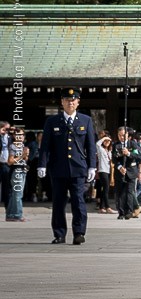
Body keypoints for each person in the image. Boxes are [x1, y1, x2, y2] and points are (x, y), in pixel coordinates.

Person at [37, 88, 98, 244]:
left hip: (78, 168)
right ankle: (59, 233)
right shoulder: (52, 121)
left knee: (78, 201)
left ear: (78, 102)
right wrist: (42, 164)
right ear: (62, 102)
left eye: (73, 100)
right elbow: (45, 146)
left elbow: (91, 146)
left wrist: (92, 166)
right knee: (58, 203)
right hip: (58, 168)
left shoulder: (86, 120)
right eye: (66, 100)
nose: (70, 103)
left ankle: (79, 233)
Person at [113, 127, 141, 220]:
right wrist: (119, 167)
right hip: (120, 172)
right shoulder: (116, 145)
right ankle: (121, 212)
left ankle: (129, 211)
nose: (121, 137)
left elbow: (139, 156)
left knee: (129, 192)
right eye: (119, 135)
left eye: (123, 135)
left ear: (127, 135)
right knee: (119, 193)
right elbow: (114, 158)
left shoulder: (132, 144)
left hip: (131, 172)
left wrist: (128, 153)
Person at [5, 127, 29, 222]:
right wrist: (22, 156)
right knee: (18, 194)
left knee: (16, 194)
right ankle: (17, 214)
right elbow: (10, 161)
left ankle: (11, 214)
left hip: (22, 170)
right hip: (16, 171)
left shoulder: (22, 145)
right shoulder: (13, 146)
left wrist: (25, 156)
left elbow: (24, 159)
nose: (21, 137)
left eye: (22, 135)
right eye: (19, 135)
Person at [95, 134, 113, 214]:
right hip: (102, 171)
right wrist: (104, 138)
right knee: (106, 189)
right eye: (105, 141)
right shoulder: (100, 149)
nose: (107, 142)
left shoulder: (109, 151)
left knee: (104, 189)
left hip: (108, 171)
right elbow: (97, 144)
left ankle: (101, 207)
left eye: (109, 141)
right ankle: (107, 207)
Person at [0, 121, 10, 209]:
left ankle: (8, 206)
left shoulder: (10, 138)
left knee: (7, 186)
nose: (7, 130)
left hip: (6, 164)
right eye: (5, 128)